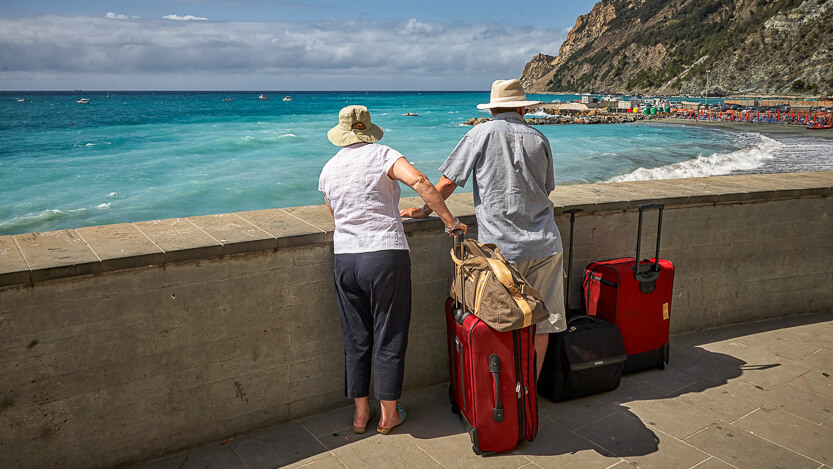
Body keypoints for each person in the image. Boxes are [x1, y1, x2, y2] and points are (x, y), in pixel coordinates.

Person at [401, 79, 566, 377]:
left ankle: (505, 397)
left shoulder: (480, 134)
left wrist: (424, 210)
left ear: (492, 109)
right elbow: (547, 190)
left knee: (502, 321)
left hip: (502, 250)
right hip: (546, 244)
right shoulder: (539, 138)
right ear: (522, 107)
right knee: (544, 323)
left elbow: (448, 181)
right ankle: (529, 394)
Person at [319, 105, 467, 435]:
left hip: (345, 257)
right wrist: (450, 222)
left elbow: (336, 213)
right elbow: (420, 181)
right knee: (389, 333)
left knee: (355, 336)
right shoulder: (383, 154)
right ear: (368, 130)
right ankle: (388, 414)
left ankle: (360, 414)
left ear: (342, 134)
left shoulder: (329, 169)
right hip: (384, 255)